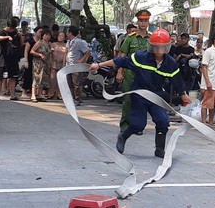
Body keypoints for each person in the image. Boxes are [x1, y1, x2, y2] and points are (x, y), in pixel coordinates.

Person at [89, 28, 191, 158]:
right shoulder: (140, 57)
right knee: (138, 125)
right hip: (140, 94)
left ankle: (159, 149)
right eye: (156, 47)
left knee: (163, 121)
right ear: (151, 46)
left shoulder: (170, 63)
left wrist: (183, 94)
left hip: (156, 96)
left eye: (162, 47)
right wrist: (98, 65)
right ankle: (123, 135)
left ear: (167, 47)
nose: (159, 51)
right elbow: (120, 61)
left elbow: (177, 81)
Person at [118, 10, 151, 133]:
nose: (143, 23)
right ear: (137, 22)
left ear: (148, 22)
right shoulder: (130, 38)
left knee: (142, 101)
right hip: (131, 74)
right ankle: (125, 125)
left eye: (145, 20)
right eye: (141, 20)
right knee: (128, 100)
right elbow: (122, 55)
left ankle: (138, 126)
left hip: (146, 76)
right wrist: (119, 72)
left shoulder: (152, 39)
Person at [0, 18, 23, 101]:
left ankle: (12, 95)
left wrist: (20, 36)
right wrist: (6, 37)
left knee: (13, 77)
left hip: (13, 58)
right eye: (11, 28)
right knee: (1, 77)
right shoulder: (2, 32)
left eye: (13, 28)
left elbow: (21, 44)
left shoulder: (16, 33)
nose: (12, 30)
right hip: (4, 58)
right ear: (8, 26)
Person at [66, 25, 91, 106]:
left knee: (76, 82)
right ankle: (72, 98)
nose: (66, 33)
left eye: (67, 32)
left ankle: (77, 98)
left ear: (70, 33)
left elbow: (87, 51)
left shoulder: (78, 42)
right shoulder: (68, 42)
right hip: (68, 65)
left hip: (75, 66)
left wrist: (81, 60)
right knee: (70, 82)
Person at [30, 28, 52, 102]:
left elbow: (49, 54)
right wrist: (39, 55)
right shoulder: (39, 43)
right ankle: (33, 94)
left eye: (49, 35)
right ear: (43, 35)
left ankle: (39, 94)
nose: (47, 36)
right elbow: (32, 51)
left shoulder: (49, 44)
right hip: (38, 63)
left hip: (46, 63)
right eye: (46, 35)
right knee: (36, 78)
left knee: (43, 79)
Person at [21, 26, 40, 100]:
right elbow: (26, 51)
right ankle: (24, 92)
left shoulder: (41, 42)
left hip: (37, 61)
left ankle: (34, 92)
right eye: (39, 32)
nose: (40, 33)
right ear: (36, 32)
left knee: (35, 77)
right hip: (29, 60)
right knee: (27, 75)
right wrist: (26, 61)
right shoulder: (30, 40)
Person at [48, 31, 66, 100]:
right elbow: (50, 54)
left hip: (62, 63)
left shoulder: (65, 45)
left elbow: (66, 55)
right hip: (54, 62)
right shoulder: (53, 44)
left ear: (64, 38)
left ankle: (59, 93)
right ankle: (51, 92)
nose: (60, 37)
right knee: (52, 78)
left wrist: (64, 63)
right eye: (59, 36)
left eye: (62, 36)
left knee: (60, 79)